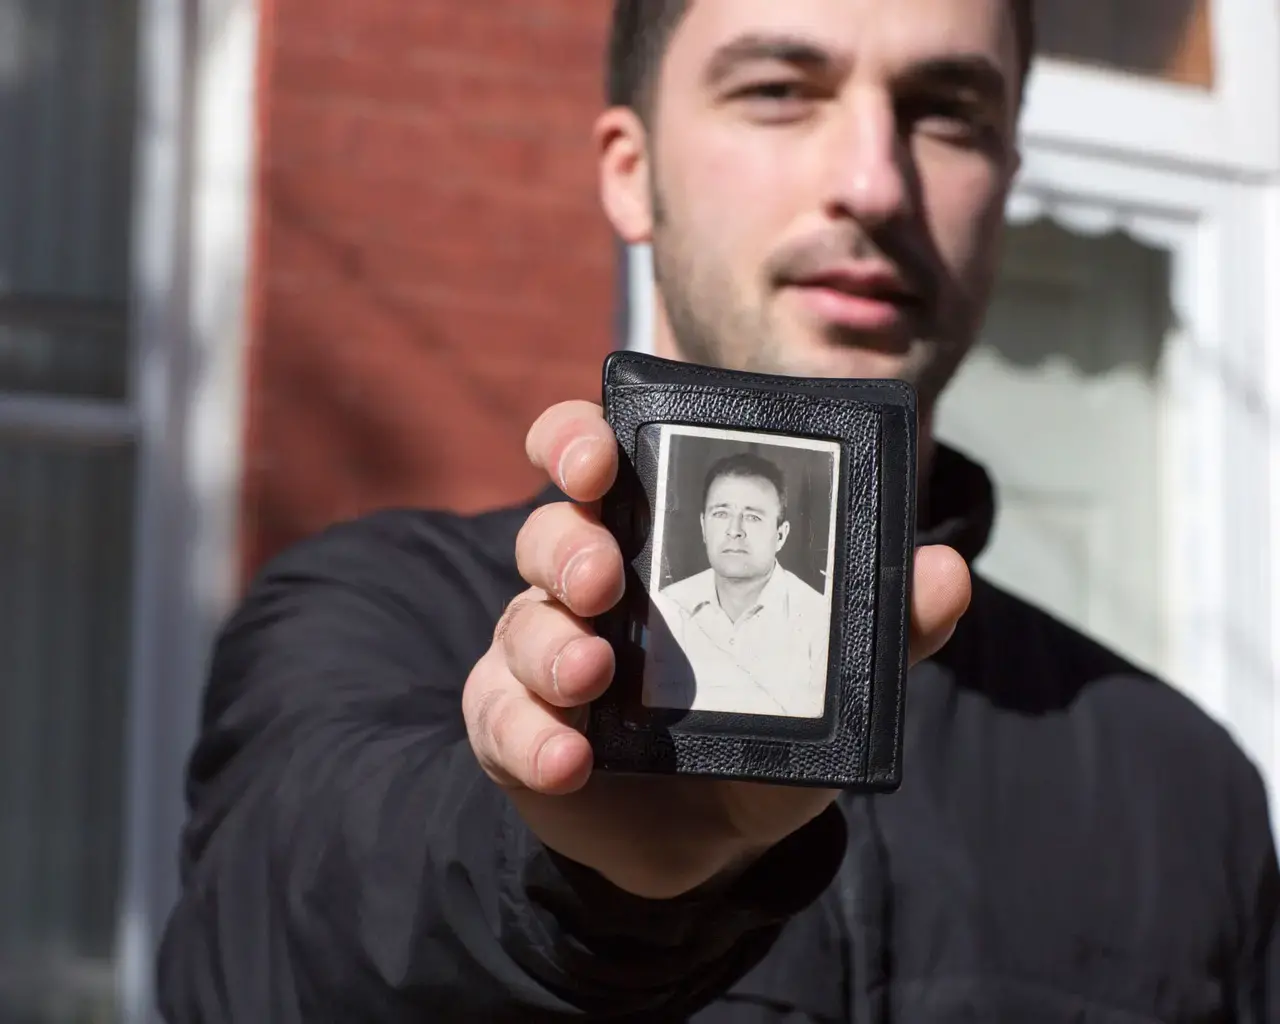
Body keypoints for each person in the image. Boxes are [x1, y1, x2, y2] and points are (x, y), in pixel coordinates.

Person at [156, 0, 1280, 1020]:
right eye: (779, 90)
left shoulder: (1181, 786)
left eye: (947, 112)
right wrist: (579, 885)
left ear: (1005, 174)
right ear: (628, 171)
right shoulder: (370, 612)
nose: (873, 182)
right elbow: (266, 947)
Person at [645, 452, 831, 717]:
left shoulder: (820, 619)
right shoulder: (667, 605)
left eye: (753, 517)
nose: (735, 530)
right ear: (702, 526)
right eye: (721, 514)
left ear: (781, 534)